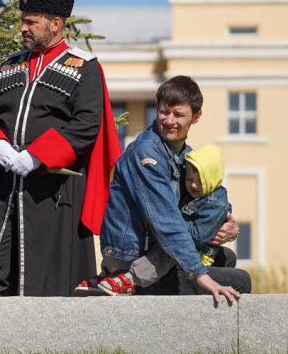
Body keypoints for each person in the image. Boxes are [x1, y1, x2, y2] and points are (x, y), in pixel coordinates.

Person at [0, 0, 120, 297]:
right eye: (23, 20)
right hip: (1, 191)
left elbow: (86, 125)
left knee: (45, 288)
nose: (22, 28)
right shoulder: (8, 66)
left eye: (31, 22)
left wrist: (38, 155)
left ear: (55, 24)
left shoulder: (85, 68)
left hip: (52, 193)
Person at [91, 76, 249, 301]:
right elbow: (165, 222)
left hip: (157, 253)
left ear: (196, 117)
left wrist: (230, 227)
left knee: (226, 258)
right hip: (131, 262)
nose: (169, 120)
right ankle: (124, 284)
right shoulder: (147, 153)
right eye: (164, 111)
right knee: (241, 280)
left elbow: (209, 198)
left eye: (179, 114)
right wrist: (201, 276)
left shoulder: (185, 155)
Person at [97, 144, 240, 295]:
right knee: (172, 243)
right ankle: (119, 277)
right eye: (189, 179)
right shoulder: (154, 155)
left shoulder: (214, 202)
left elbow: (198, 235)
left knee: (174, 246)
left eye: (199, 181)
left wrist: (234, 229)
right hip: (183, 253)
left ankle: (128, 278)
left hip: (196, 254)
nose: (193, 184)